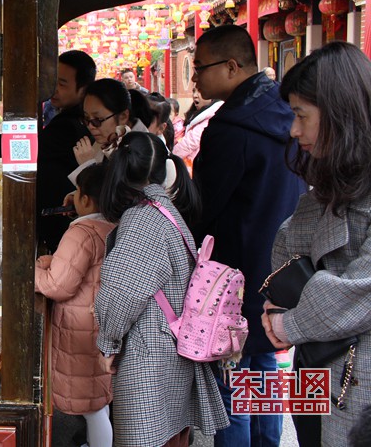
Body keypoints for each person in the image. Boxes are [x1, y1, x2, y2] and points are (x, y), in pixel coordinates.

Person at [190, 24, 306, 446]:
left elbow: (203, 206)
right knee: (264, 374)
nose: (195, 78)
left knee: (232, 386)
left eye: (200, 67)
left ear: (232, 66)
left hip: (234, 281)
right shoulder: (289, 114)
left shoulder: (231, 127)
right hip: (281, 272)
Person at [260, 42, 371, 447]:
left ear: (340, 114)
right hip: (315, 366)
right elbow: (287, 249)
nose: (293, 130)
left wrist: (289, 322)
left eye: (301, 116)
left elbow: (361, 290)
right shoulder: (326, 187)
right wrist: (279, 308)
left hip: (357, 382)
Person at [95, 131, 228, 447]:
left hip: (150, 359)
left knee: (149, 437)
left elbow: (120, 293)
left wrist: (108, 345)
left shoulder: (142, 219)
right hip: (172, 355)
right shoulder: (167, 211)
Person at [0, 50, 95, 251]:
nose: (53, 88)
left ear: (83, 89)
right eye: (51, 80)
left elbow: (23, 147)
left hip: (62, 229)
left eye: (62, 84)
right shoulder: (70, 118)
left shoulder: (69, 126)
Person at [35, 162, 114, 447]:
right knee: (99, 402)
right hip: (99, 324)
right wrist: (49, 264)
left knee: (93, 408)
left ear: (85, 199)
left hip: (79, 328)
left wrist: (32, 272)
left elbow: (59, 285)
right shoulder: (113, 226)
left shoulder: (81, 233)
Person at [68, 79, 151, 184]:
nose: (90, 126)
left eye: (97, 120)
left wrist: (88, 167)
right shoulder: (104, 142)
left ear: (123, 116)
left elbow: (120, 195)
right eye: (86, 119)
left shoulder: (147, 150)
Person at [172, 85, 222, 171]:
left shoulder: (211, 117)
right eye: (194, 91)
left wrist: (170, 157)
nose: (195, 95)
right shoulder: (197, 114)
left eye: (200, 91)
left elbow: (191, 142)